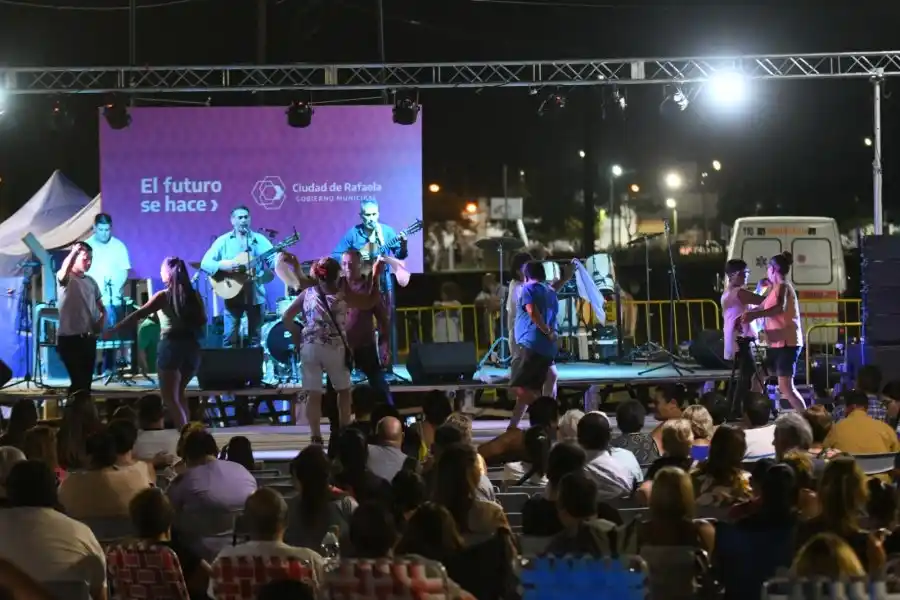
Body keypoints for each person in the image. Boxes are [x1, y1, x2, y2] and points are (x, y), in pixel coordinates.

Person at [282, 256, 384, 444]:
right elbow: (370, 301)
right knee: (343, 391)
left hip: (310, 347)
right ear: (337, 274)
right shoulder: (342, 294)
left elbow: (286, 316)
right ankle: (344, 432)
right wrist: (376, 276)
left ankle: (315, 436)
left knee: (314, 393)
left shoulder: (308, 293)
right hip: (334, 347)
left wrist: (298, 339)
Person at [106, 257, 206, 428]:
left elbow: (138, 314)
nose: (160, 273)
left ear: (168, 273)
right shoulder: (193, 295)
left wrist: (114, 329)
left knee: (170, 399)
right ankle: (190, 432)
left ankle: (186, 436)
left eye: (161, 270)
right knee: (180, 394)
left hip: (171, 347)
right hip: (192, 349)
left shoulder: (163, 296)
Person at [507, 259, 574, 431]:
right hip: (546, 348)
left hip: (531, 345)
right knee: (551, 376)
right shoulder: (548, 291)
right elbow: (554, 288)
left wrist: (546, 330)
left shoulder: (527, 289)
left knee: (521, 389)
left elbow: (531, 311)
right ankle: (515, 426)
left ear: (527, 275)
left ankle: (545, 416)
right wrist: (566, 277)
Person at [200, 205, 280, 348]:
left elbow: (272, 261)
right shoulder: (223, 241)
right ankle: (230, 370)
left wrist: (280, 261)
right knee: (229, 337)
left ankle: (254, 369)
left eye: (246, 217)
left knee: (256, 338)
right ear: (232, 221)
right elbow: (205, 263)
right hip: (232, 295)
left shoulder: (259, 240)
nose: (243, 220)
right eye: (240, 217)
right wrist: (223, 266)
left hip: (255, 295)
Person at [742, 251, 806, 412]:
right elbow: (762, 307)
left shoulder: (784, 286)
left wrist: (754, 315)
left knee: (786, 388)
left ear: (773, 269)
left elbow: (779, 307)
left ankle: (808, 418)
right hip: (776, 343)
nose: (767, 272)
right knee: (758, 378)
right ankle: (753, 413)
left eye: (768, 268)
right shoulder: (774, 288)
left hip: (787, 343)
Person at [55, 242, 105, 403]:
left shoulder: (91, 281)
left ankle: (82, 419)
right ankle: (74, 419)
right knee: (78, 383)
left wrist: (101, 320)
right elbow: (64, 270)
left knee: (85, 385)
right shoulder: (66, 277)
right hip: (69, 339)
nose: (89, 262)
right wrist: (74, 252)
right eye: (85, 259)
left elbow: (102, 308)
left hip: (88, 338)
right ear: (75, 258)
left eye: (91, 259)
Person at [340, 249, 392, 401]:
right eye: (344, 264)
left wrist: (384, 345)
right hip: (342, 347)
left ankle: (388, 414)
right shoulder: (337, 286)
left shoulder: (369, 289)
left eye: (351, 263)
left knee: (379, 386)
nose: (347, 267)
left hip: (364, 346)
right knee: (335, 388)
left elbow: (383, 319)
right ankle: (338, 421)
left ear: (359, 264)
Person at [84, 213, 132, 375]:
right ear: (95, 228)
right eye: (101, 229)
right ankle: (90, 369)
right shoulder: (86, 246)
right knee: (90, 335)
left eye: (107, 229)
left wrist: (116, 288)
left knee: (110, 335)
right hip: (91, 299)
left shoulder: (119, 246)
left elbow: (124, 271)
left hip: (112, 299)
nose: (105, 233)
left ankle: (109, 368)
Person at [507, 251, 558, 398]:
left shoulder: (527, 287)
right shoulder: (520, 288)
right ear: (518, 270)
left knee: (549, 376)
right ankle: (542, 409)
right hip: (525, 340)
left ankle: (546, 407)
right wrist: (548, 331)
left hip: (533, 339)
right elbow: (532, 311)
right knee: (530, 384)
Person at [721, 259, 766, 391]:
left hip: (741, 341)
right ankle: (745, 406)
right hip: (740, 343)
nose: (746, 275)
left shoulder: (734, 292)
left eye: (747, 272)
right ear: (732, 275)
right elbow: (761, 301)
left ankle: (742, 405)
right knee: (748, 378)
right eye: (743, 273)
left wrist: (760, 288)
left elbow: (751, 303)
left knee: (747, 377)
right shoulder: (737, 293)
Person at [332, 199, 408, 266]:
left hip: (383, 280)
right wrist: (355, 257)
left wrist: (404, 245)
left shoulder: (387, 231)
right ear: (361, 216)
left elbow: (400, 256)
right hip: (360, 280)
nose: (371, 219)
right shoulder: (353, 233)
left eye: (374, 214)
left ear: (378, 214)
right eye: (368, 215)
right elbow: (335, 255)